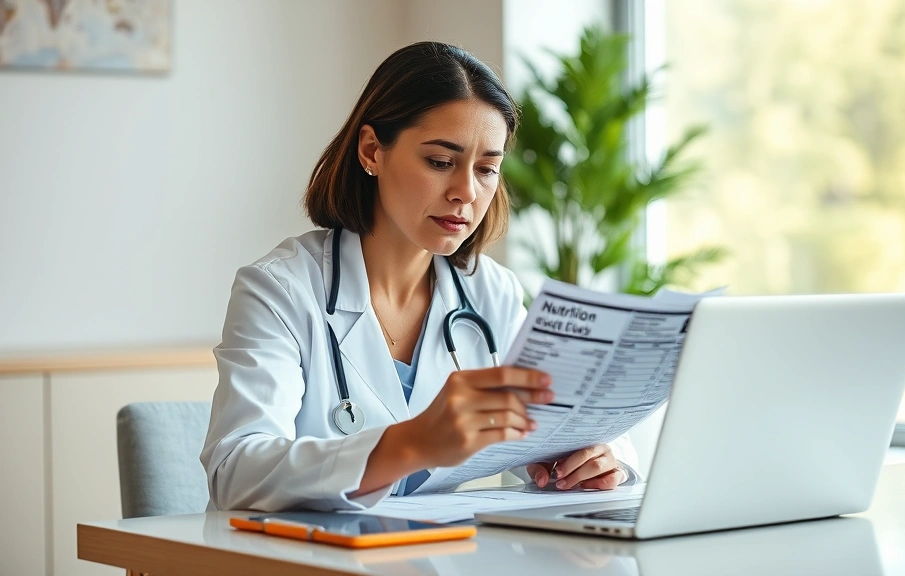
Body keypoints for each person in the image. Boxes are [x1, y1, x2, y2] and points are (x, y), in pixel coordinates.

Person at [200, 41, 639, 512]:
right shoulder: (279, 290)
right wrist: (409, 444)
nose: (466, 192)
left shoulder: (491, 294)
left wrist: (599, 460)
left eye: (487, 169)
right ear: (372, 151)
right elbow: (236, 472)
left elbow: (563, 428)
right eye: (440, 162)